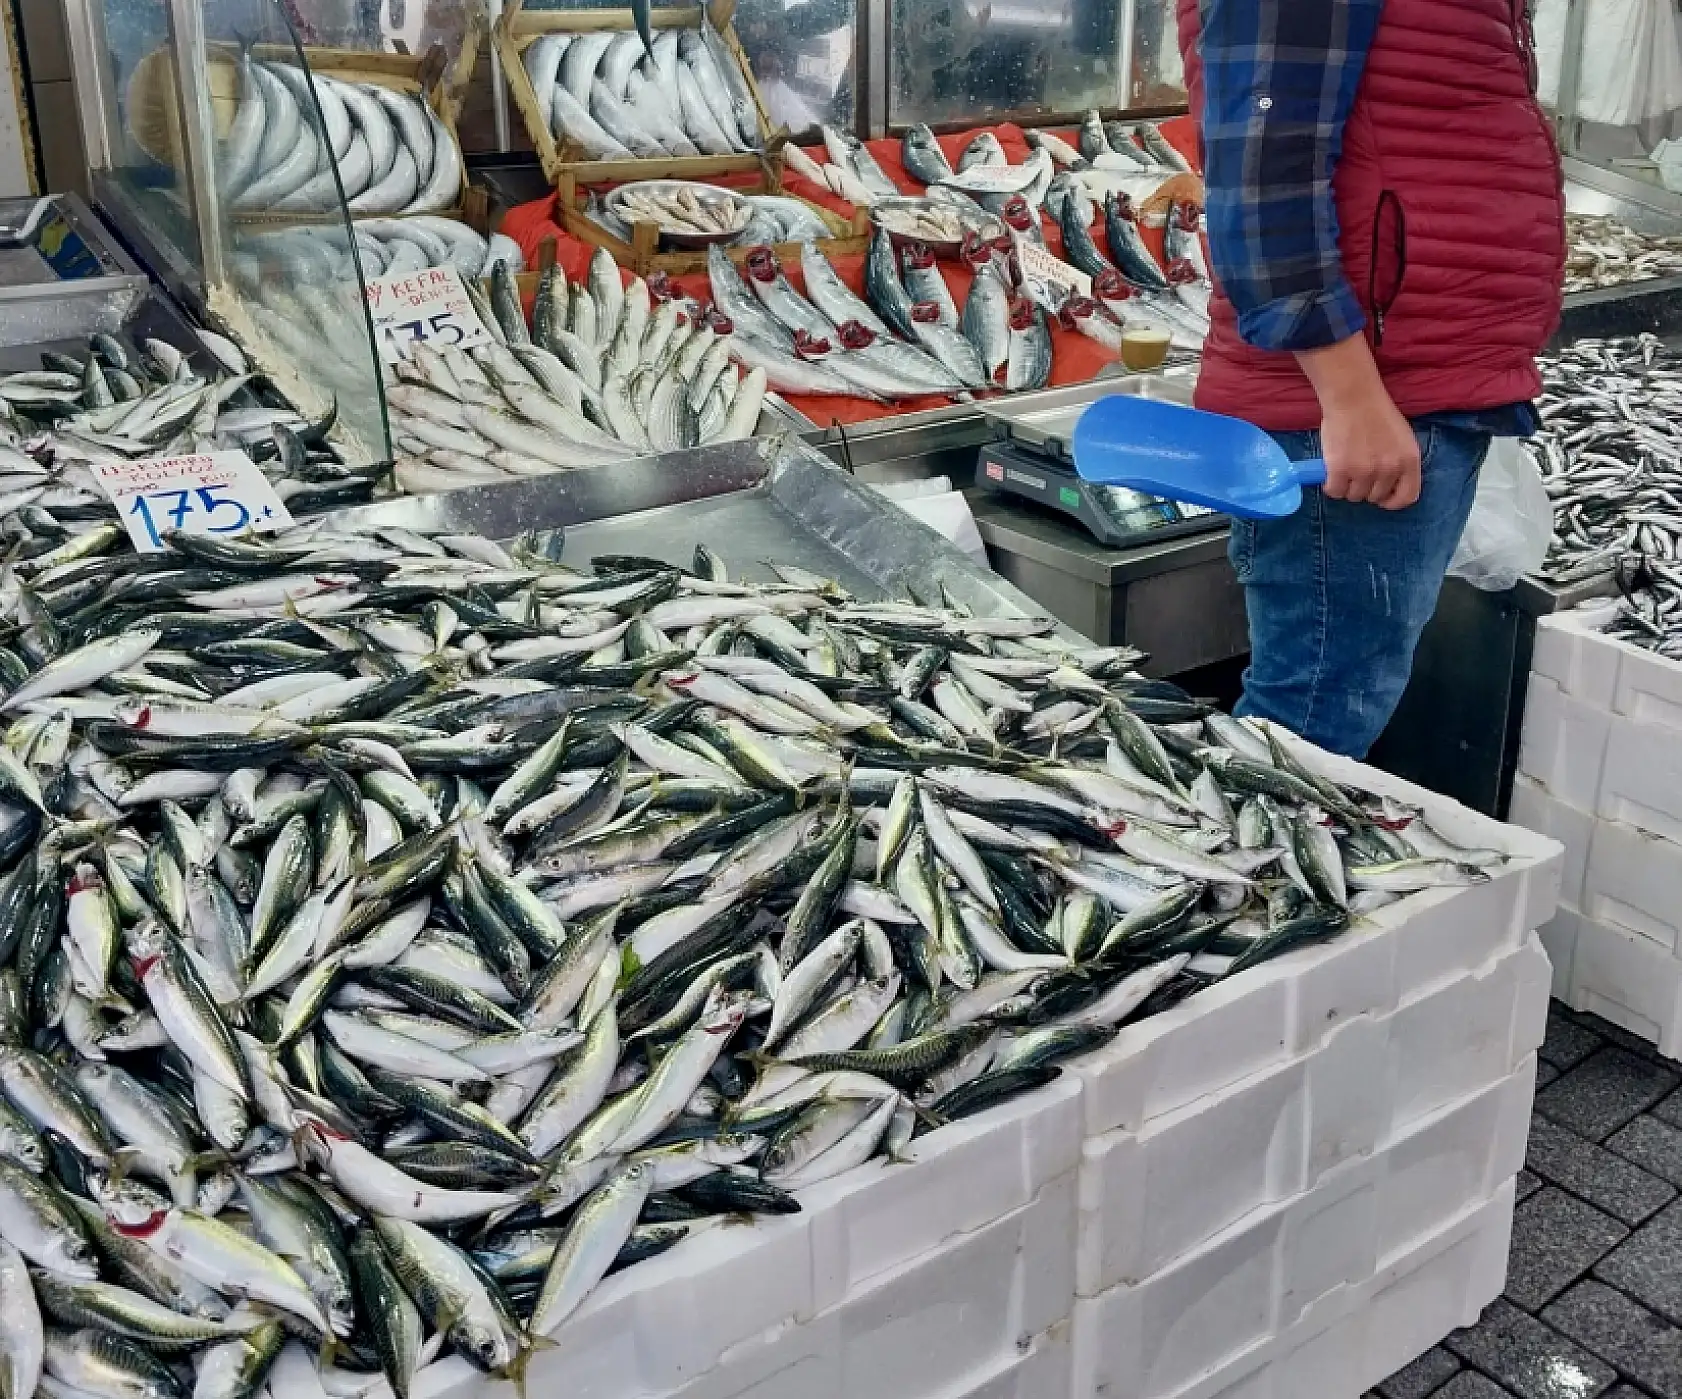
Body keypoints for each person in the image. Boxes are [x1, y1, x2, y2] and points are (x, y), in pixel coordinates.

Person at [1176, 0, 1566, 758]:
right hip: (1368, 389)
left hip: (1422, 374)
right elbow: (1261, 170)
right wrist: (1349, 394)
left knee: (1333, 707)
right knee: (1312, 720)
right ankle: (1260, 877)